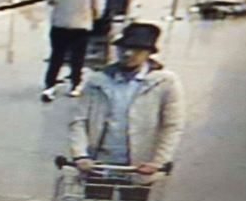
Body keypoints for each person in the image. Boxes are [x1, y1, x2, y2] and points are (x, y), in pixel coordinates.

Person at [69, 23, 185, 179]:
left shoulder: (164, 82)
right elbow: (79, 120)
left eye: (137, 50)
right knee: (94, 200)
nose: (128, 54)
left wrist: (158, 161)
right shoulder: (97, 81)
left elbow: (172, 125)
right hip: (98, 165)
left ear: (149, 53)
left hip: (139, 166)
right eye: (123, 48)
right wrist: (80, 155)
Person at [41, 0, 103, 102]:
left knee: (57, 56)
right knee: (78, 57)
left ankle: (49, 85)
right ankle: (75, 85)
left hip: (59, 24)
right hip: (81, 26)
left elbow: (50, 0)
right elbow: (98, 9)